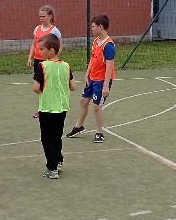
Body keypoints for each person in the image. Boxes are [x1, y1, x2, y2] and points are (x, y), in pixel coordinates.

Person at [67, 14, 115, 143]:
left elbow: (109, 67)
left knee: (96, 107)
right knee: (83, 101)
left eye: (93, 26)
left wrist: (106, 86)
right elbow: (93, 60)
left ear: (100, 27)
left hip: (101, 81)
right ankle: (78, 127)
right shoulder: (95, 42)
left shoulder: (109, 45)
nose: (91, 29)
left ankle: (99, 133)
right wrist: (87, 74)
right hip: (92, 78)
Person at [33, 33, 75, 179]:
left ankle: (52, 168)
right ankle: (58, 161)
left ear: (51, 50)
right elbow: (73, 86)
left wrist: (44, 88)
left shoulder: (42, 66)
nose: (39, 52)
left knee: (47, 138)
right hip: (62, 108)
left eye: (42, 49)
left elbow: (35, 87)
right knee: (57, 136)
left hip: (47, 108)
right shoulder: (66, 66)